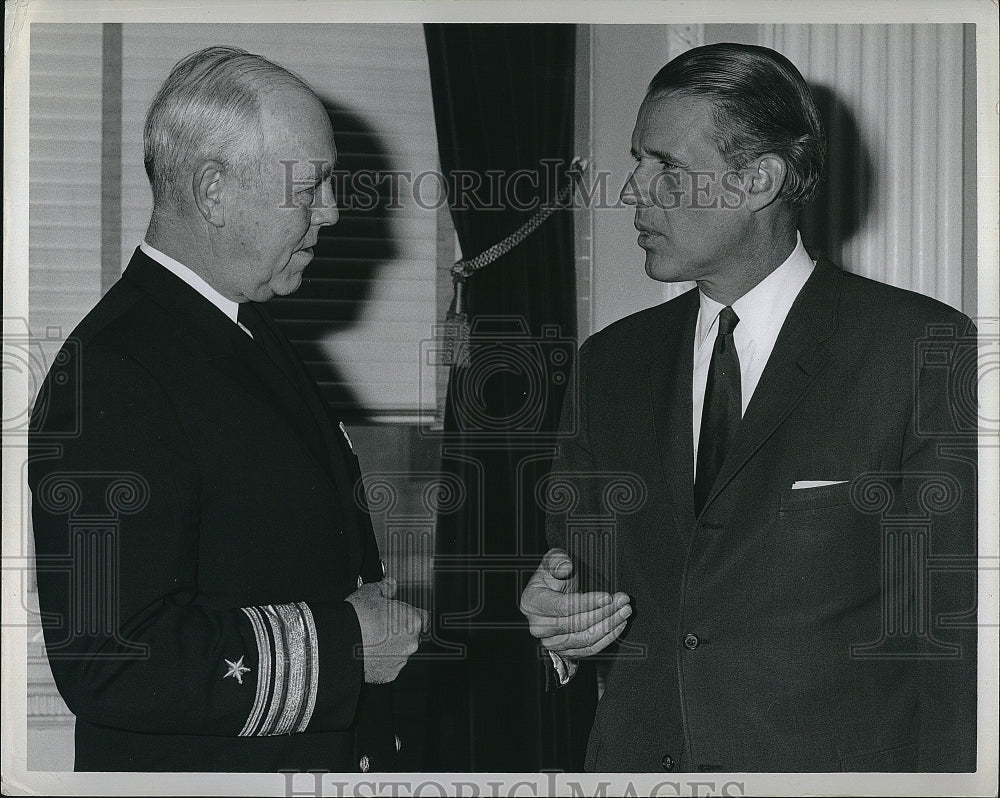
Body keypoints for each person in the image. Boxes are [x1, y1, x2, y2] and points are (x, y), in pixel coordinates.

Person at [520, 42, 977, 773]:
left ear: (757, 180)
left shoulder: (919, 349)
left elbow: (958, 639)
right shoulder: (610, 365)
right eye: (638, 160)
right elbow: (587, 578)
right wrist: (558, 616)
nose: (633, 190)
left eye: (665, 167)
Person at [28, 45, 427, 773]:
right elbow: (108, 659)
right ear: (214, 192)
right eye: (309, 188)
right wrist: (345, 648)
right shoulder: (112, 372)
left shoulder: (242, 329)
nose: (331, 213)